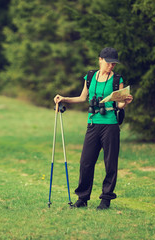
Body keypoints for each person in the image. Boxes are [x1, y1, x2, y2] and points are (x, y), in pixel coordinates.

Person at [53, 47, 133, 210]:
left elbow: (120, 103)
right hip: (92, 123)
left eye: (114, 64)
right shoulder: (90, 76)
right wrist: (64, 98)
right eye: (109, 63)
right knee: (86, 162)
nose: (111, 66)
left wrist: (126, 102)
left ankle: (106, 199)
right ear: (100, 60)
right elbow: (83, 97)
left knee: (110, 163)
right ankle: (82, 198)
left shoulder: (117, 80)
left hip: (110, 125)